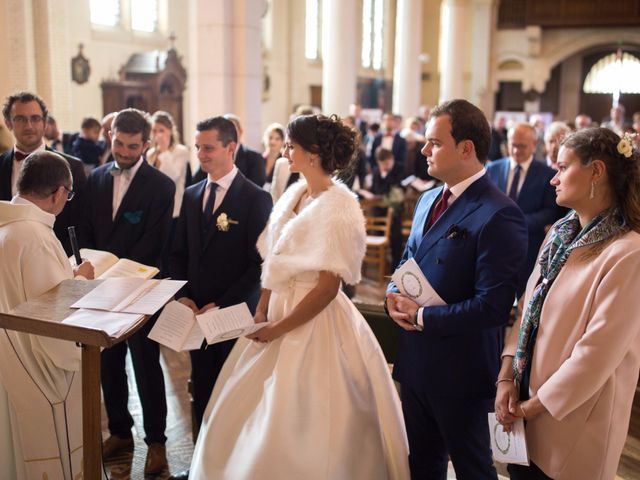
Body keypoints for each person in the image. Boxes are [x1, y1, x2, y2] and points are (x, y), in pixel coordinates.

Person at [188, 114, 410, 479]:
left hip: (312, 318)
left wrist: (278, 329)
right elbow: (272, 262)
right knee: (247, 406)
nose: (285, 152)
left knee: (300, 414)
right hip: (275, 308)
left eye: (292, 146)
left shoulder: (339, 206)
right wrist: (261, 311)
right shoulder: (294, 193)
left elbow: (327, 288)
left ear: (314, 153)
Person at [386, 99, 528, 480]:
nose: (424, 150)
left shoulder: (500, 213)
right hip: (416, 363)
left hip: (461, 371)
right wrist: (391, 295)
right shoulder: (428, 198)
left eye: (434, 142)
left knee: (472, 470)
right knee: (422, 466)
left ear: (466, 148)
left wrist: (420, 315)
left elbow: (493, 307)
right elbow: (405, 263)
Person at [495, 127, 640, 480]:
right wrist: (506, 377)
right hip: (525, 400)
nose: (553, 179)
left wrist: (533, 407)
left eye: (562, 168)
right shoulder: (560, 233)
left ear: (596, 172)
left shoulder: (627, 252)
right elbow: (527, 306)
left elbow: (596, 354)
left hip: (573, 417)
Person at [78, 108, 175, 476]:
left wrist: (120, 273)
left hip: (141, 288)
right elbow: (85, 227)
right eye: (118, 143)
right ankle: (119, 431)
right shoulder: (96, 178)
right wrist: (92, 265)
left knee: (147, 366)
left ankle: (157, 443)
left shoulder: (162, 187)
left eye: (132, 146)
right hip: (101, 289)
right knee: (108, 363)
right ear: (111, 136)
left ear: (146, 145)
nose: (123, 151)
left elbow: (155, 241)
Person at [170, 115, 272, 437]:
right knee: (201, 389)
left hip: (232, 312)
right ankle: (202, 459)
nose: (200, 154)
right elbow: (178, 252)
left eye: (208, 148)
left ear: (231, 147)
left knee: (232, 391)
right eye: (198, 147)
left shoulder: (256, 198)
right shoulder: (191, 194)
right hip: (195, 313)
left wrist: (221, 304)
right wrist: (183, 296)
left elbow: (257, 265)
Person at [0, 151, 94, 479]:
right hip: (39, 372)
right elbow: (53, 319)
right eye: (68, 195)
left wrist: (67, 275)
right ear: (57, 193)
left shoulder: (10, 227)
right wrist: (82, 281)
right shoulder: (35, 237)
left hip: (10, 363)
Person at [0, 91, 86, 255]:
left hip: (57, 258)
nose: (29, 125)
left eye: (35, 118)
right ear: (8, 123)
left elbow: (79, 224)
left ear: (45, 122)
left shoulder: (73, 167)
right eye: (20, 119)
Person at [487, 123, 561, 297]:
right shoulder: (493, 169)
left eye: (522, 146)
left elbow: (550, 211)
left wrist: (517, 223)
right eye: (513, 145)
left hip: (529, 247)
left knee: (524, 296)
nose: (516, 150)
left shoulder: (547, 174)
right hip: (495, 246)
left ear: (534, 145)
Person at [192, 114, 266, 187]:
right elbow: (196, 180)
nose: (227, 133)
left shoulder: (254, 157)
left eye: (232, 129)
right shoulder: (206, 156)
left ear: (240, 131)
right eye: (223, 130)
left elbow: (256, 186)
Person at [261, 122, 284, 186]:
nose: (272, 141)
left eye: (277, 139)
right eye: (270, 137)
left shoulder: (284, 160)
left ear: (282, 141)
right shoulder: (260, 159)